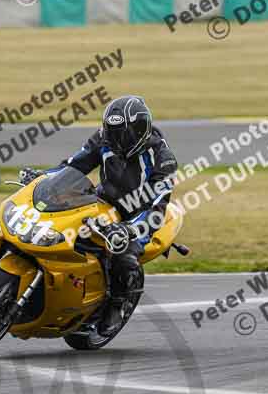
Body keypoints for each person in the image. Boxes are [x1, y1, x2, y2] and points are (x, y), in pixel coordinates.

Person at [19, 95, 178, 336]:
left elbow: (156, 207)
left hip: (139, 216)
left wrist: (130, 229)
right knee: (60, 226)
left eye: (122, 134)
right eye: (112, 132)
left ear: (139, 130)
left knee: (123, 254)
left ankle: (119, 303)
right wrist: (43, 178)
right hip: (104, 201)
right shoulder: (104, 139)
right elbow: (74, 165)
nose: (116, 140)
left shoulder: (163, 160)